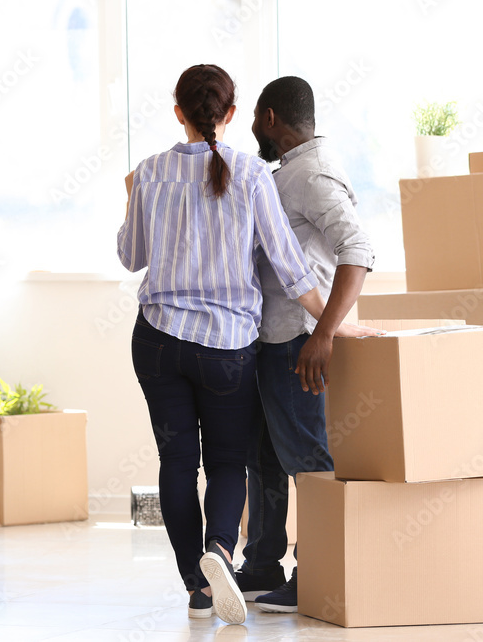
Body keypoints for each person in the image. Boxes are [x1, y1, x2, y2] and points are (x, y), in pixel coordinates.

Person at [117, 64, 341, 626]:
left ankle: (196, 588)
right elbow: (290, 267)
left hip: (160, 341)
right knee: (226, 462)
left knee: (176, 462)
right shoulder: (250, 173)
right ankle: (219, 551)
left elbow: (130, 256)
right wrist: (332, 325)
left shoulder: (149, 173)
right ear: (232, 114)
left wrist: (130, 198)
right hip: (227, 349)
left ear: (178, 113)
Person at [236, 76, 377, 613]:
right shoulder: (288, 173)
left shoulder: (312, 175)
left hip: (298, 340)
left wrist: (322, 335)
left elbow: (358, 249)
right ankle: (262, 563)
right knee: (265, 455)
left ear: (270, 117)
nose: (253, 127)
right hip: (272, 338)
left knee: (308, 461)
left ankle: (315, 572)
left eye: (255, 117)